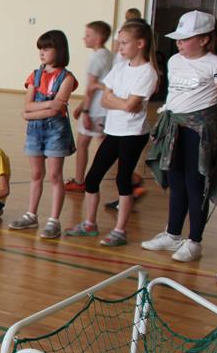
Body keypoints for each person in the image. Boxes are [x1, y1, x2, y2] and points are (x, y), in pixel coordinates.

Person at [142, 10, 217, 262]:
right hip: (174, 130)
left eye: (186, 39)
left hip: (199, 133)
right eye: (178, 39)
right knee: (176, 183)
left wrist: (208, 127)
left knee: (196, 186)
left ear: (204, 39)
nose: (179, 43)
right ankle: (172, 234)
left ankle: (194, 241)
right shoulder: (174, 61)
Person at [64, 21, 157, 247]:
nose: (119, 47)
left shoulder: (148, 72)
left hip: (133, 133)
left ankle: (119, 231)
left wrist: (119, 101)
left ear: (140, 44)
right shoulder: (120, 67)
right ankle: (90, 224)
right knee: (92, 178)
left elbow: (130, 106)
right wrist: (122, 102)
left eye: (124, 43)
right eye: (119, 42)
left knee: (123, 180)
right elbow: (107, 100)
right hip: (113, 130)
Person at [8, 30, 78, 239]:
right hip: (35, 131)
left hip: (56, 131)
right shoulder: (35, 75)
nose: (42, 52)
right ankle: (31, 215)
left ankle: (54, 220)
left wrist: (30, 115)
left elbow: (56, 111)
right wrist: (46, 105)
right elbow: (28, 105)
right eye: (40, 48)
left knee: (55, 176)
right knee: (36, 175)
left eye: (47, 48)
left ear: (60, 50)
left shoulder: (67, 78)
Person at [66, 21, 114, 192]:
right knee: (97, 142)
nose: (84, 38)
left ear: (98, 38)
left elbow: (91, 87)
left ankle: (80, 181)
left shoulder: (96, 58)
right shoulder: (109, 55)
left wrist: (85, 110)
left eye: (88, 35)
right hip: (104, 108)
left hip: (95, 110)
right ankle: (84, 179)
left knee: (85, 144)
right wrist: (81, 106)